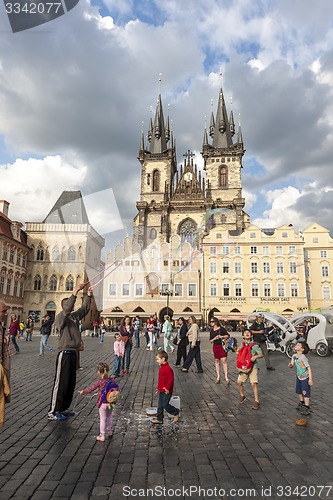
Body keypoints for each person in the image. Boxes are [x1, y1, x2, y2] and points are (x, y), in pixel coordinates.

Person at [48, 283, 92, 421]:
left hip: (73, 352)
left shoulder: (73, 317)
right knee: (61, 382)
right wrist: (75, 291)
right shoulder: (61, 317)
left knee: (70, 382)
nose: (72, 306)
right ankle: (54, 411)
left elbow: (84, 309)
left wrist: (88, 296)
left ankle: (64, 407)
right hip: (64, 352)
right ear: (64, 306)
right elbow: (67, 308)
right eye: (69, 304)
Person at [79, 362, 120, 441]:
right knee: (110, 416)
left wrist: (83, 391)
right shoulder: (112, 379)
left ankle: (102, 435)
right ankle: (110, 431)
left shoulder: (100, 381)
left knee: (102, 418)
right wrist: (99, 393)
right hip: (111, 402)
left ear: (98, 371)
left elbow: (90, 389)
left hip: (103, 403)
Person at [237, 329, 263, 410]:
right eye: (245, 333)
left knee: (253, 384)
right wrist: (237, 351)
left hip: (252, 367)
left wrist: (255, 356)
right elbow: (238, 351)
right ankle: (242, 395)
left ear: (251, 336)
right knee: (239, 382)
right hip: (244, 367)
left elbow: (261, 354)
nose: (247, 333)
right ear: (243, 336)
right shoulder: (242, 345)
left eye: (249, 333)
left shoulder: (255, 345)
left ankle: (256, 401)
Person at [151, 350, 180, 424]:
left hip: (166, 391)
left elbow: (171, 379)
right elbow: (161, 380)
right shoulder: (162, 368)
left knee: (165, 404)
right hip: (162, 390)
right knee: (160, 405)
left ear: (163, 359)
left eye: (158, 359)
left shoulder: (168, 368)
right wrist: (158, 388)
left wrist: (167, 388)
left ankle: (175, 412)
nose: (157, 361)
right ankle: (159, 418)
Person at [288, 340, 313, 416]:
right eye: (297, 344)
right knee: (299, 391)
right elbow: (292, 363)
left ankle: (307, 407)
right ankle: (302, 402)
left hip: (305, 377)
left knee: (305, 392)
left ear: (302, 349)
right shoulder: (294, 356)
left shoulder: (303, 357)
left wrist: (310, 379)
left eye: (298, 345)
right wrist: (291, 365)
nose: (296, 345)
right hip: (298, 376)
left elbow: (308, 368)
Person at [209, 317, 230, 384]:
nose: (211, 323)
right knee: (217, 360)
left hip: (222, 346)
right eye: (211, 322)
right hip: (215, 346)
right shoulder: (211, 331)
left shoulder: (222, 329)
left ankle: (226, 377)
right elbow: (210, 340)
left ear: (216, 322)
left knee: (224, 360)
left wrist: (221, 336)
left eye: (212, 321)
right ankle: (218, 376)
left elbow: (227, 335)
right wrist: (214, 339)